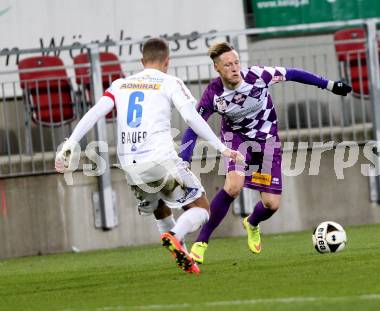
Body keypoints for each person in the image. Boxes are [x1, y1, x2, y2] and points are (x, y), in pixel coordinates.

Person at [55, 38, 244, 274]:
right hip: (161, 159)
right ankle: (175, 235)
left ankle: (183, 255)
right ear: (167, 62)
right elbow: (192, 118)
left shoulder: (120, 84)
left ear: (142, 61)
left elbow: (94, 113)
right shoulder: (170, 82)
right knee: (202, 208)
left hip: (130, 165)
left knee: (159, 205)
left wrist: (71, 142)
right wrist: (221, 148)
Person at [180, 41, 352, 264]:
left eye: (236, 62)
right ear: (217, 68)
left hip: (267, 142)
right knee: (233, 186)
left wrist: (329, 85)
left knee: (271, 204)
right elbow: (195, 125)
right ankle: (201, 243)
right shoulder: (213, 94)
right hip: (237, 141)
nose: (234, 68)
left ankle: (251, 222)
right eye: (228, 65)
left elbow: (293, 73)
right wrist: (184, 158)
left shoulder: (258, 76)